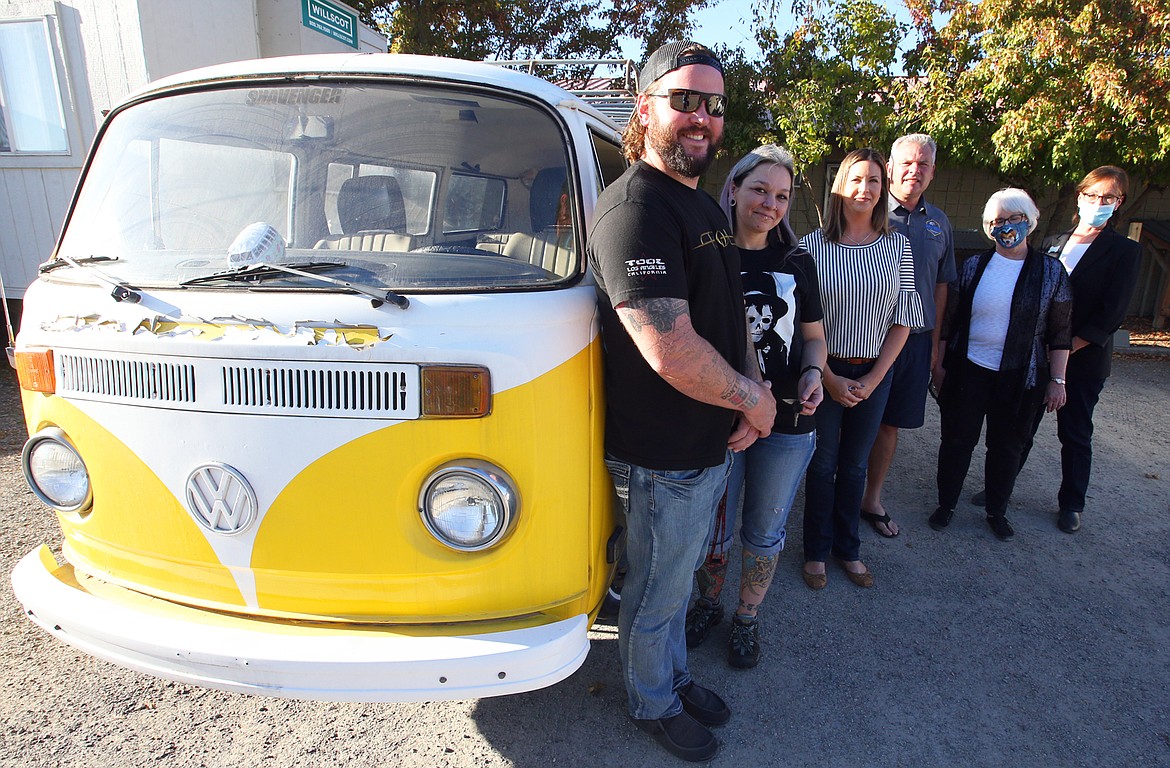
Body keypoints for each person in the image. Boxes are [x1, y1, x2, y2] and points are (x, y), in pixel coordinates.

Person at [586, 41, 776, 763]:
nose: (702, 116)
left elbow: (726, 314)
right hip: (659, 453)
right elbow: (669, 347)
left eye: (715, 104)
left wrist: (748, 394)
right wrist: (756, 402)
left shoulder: (702, 202)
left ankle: (672, 674)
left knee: (674, 581)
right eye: (684, 99)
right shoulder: (635, 209)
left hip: (704, 446)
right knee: (657, 592)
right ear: (645, 108)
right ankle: (651, 701)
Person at [684, 144, 827, 669]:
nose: (771, 203)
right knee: (713, 528)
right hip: (718, 417)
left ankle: (746, 617)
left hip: (788, 420)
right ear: (735, 189)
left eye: (783, 196)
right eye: (761, 190)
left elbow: (813, 337)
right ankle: (708, 603)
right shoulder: (703, 252)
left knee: (764, 529)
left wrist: (813, 371)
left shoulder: (797, 262)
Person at [973, 167, 1142, 534]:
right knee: (1020, 429)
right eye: (1092, 195)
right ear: (1080, 197)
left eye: (1108, 198)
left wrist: (1062, 351)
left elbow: (1109, 316)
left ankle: (1071, 503)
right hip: (1033, 357)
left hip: (1082, 359)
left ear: (1118, 203)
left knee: (1075, 433)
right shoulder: (1053, 241)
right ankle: (999, 489)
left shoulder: (1124, 252)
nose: (1098, 203)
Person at [799, 149, 923, 589]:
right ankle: (815, 549)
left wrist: (873, 379)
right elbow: (800, 320)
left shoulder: (898, 245)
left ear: (882, 188)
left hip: (875, 372)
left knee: (854, 466)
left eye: (873, 181)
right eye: (855, 179)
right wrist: (828, 378)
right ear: (839, 186)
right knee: (822, 463)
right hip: (824, 371)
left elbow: (904, 318)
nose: (864, 189)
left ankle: (847, 549)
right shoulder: (811, 246)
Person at [931, 188, 1072, 540]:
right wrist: (940, 364)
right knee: (956, 441)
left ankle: (997, 511)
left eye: (1013, 219)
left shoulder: (1051, 273)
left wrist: (1058, 379)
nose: (1005, 227)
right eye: (996, 221)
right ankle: (946, 504)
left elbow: (1061, 332)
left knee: (1007, 446)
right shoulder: (975, 267)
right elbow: (951, 319)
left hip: (1021, 377)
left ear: (1029, 222)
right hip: (970, 370)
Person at [860, 134, 957, 538]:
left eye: (924, 164)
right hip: (865, 337)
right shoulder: (867, 211)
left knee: (890, 423)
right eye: (907, 163)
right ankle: (835, 495)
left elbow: (941, 286)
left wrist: (935, 349)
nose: (914, 170)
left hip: (914, 341)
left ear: (932, 172)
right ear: (891, 167)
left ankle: (871, 499)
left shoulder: (940, 223)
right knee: (852, 419)